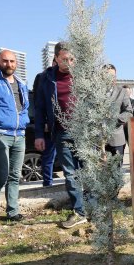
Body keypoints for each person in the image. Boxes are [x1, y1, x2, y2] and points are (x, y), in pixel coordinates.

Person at [34, 42, 87, 229]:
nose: (68, 63)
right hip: (62, 132)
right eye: (64, 59)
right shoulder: (46, 79)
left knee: (87, 170)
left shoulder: (82, 77)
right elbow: (39, 108)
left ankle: (93, 206)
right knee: (70, 173)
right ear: (55, 59)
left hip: (84, 132)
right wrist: (39, 134)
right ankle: (79, 211)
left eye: (72, 59)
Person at [0, 50, 30, 226]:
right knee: (0, 175)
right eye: (5, 61)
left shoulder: (21, 83)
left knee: (15, 176)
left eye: (12, 61)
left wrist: (24, 122)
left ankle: (13, 211)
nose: (9, 64)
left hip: (20, 135)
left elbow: (25, 107)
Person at [32, 63, 57, 187]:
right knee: (49, 156)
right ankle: (48, 183)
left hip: (66, 126)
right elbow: (38, 103)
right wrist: (44, 123)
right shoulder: (42, 77)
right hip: (49, 127)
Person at [104, 64, 133, 163]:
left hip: (117, 139)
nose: (111, 79)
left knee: (116, 173)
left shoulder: (122, 91)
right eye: (108, 75)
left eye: (113, 76)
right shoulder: (95, 93)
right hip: (99, 141)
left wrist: (114, 119)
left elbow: (129, 112)